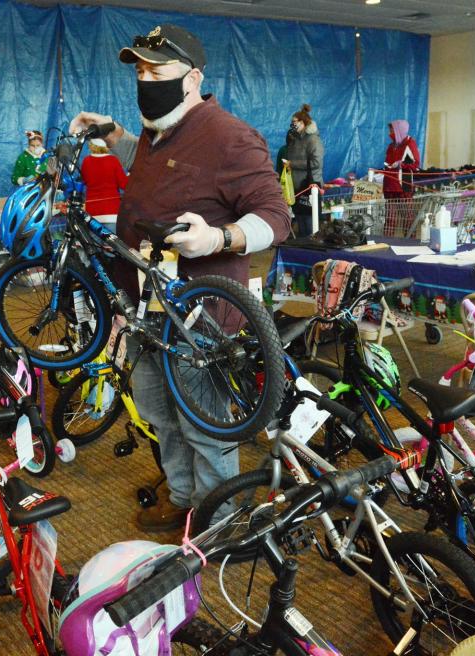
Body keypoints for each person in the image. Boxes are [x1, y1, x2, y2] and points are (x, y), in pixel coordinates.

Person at [70, 23, 290, 531]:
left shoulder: (231, 137)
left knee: (203, 424)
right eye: (140, 70)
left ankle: (216, 520)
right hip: (147, 307)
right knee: (159, 413)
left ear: (192, 78)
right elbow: (155, 167)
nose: (145, 79)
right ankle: (184, 495)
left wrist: (218, 238)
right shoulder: (156, 129)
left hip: (201, 319)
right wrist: (113, 133)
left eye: (156, 70)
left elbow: (276, 217)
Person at [286, 104, 324, 238]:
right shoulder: (295, 139)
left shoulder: (313, 140)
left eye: (294, 122)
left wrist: (293, 164)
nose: (292, 125)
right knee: (300, 220)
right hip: (297, 186)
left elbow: (316, 162)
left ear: (303, 122)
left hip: (310, 186)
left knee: (310, 222)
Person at [80, 138, 128, 233]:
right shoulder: (113, 160)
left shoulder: (86, 161)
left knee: (94, 246)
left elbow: (84, 181)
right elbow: (124, 184)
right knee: (111, 245)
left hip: (92, 212)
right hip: (112, 211)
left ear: (92, 146)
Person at [382, 119, 421, 200]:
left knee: (404, 210)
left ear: (399, 131)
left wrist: (400, 164)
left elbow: (415, 164)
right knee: (390, 211)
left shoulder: (409, 144)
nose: (390, 134)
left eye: (392, 131)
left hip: (403, 186)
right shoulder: (392, 146)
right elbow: (387, 163)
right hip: (389, 186)